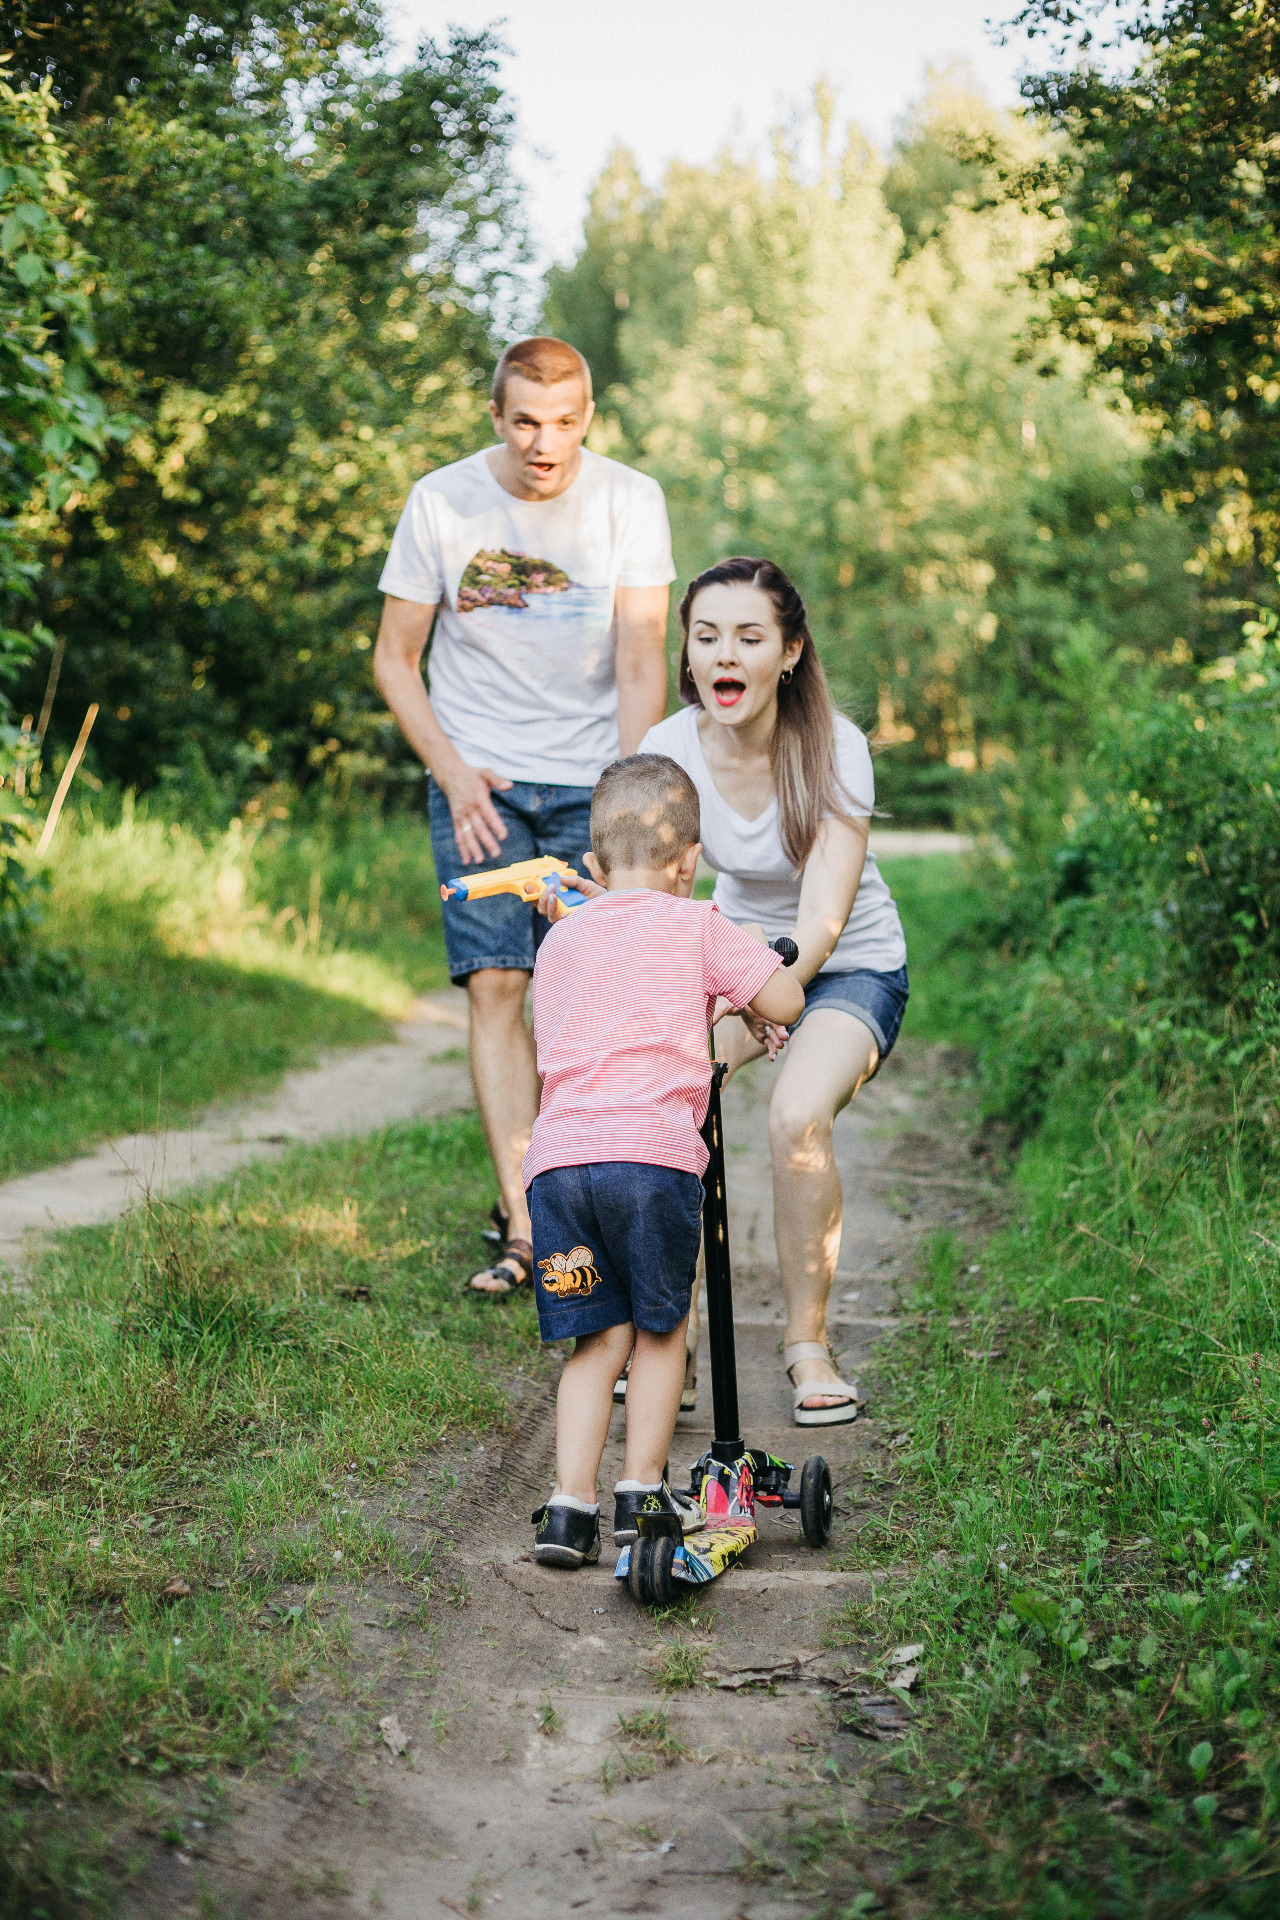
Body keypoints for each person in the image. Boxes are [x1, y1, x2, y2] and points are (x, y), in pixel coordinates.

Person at [372, 336, 674, 1296]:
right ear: (496, 417)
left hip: (593, 785)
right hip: (482, 788)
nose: (547, 443)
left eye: (567, 421)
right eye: (527, 422)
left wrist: (626, 797)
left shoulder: (632, 500)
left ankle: (591, 1194)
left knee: (587, 1002)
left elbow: (639, 659)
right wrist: (456, 775)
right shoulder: (443, 500)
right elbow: (393, 658)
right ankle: (527, 1227)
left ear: (589, 416)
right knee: (497, 990)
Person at [639, 557, 909, 1427]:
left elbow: (824, 920)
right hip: (737, 963)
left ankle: (807, 1345)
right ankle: (665, 1342)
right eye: (708, 635)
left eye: (749, 637)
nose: (726, 654)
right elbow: (649, 895)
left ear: (788, 651)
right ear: (688, 651)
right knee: (662, 1098)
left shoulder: (836, 747)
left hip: (845, 967)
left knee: (797, 1114)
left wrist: (769, 992)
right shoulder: (667, 750)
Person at [524, 754, 804, 1567]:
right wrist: (749, 976)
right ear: (690, 862)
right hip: (650, 1162)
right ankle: (641, 1492)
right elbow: (783, 999)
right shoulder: (699, 922)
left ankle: (566, 1511)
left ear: (593, 866)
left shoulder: (561, 939)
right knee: (659, 1330)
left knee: (594, 1344)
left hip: (560, 1165)